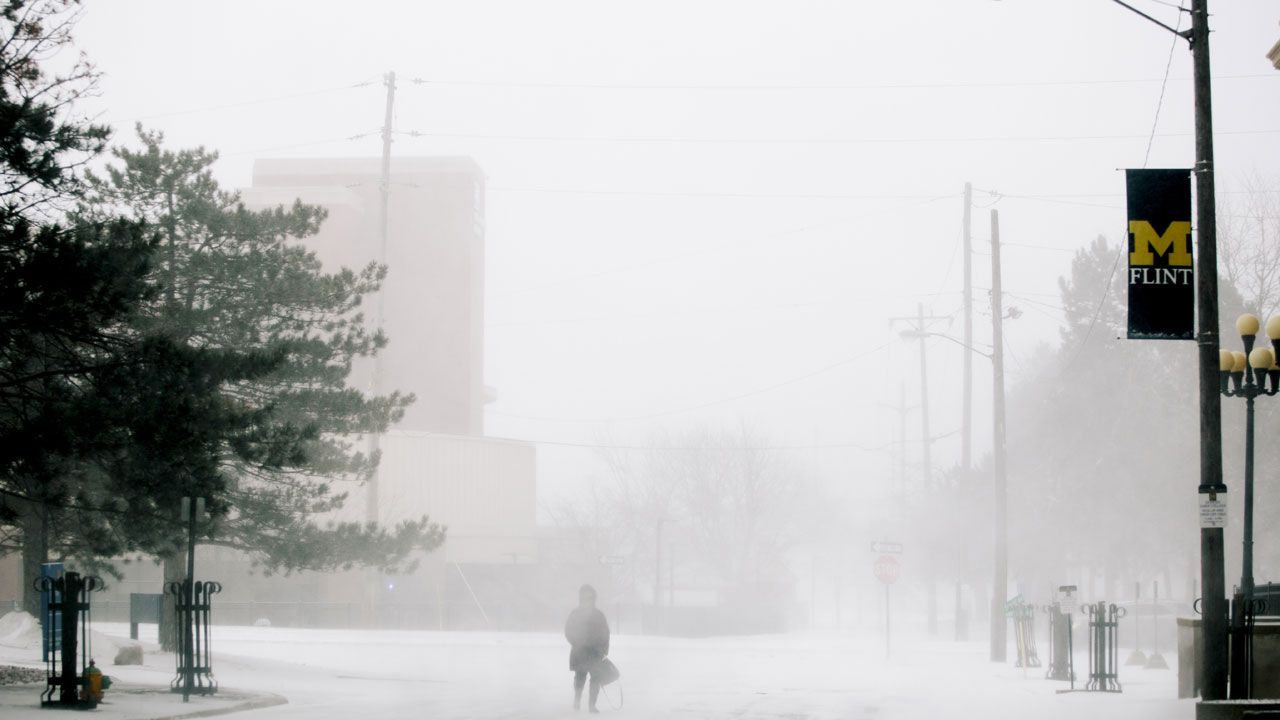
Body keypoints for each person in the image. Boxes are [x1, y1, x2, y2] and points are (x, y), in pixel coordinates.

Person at [564, 584, 610, 712]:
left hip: (596, 653)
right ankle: (577, 701)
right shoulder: (575, 614)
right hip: (580, 652)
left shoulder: (599, 615)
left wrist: (605, 649)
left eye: (590, 597)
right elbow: (568, 631)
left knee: (596, 678)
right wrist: (577, 642)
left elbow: (606, 633)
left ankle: (592, 705)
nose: (588, 600)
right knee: (580, 677)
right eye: (586, 597)